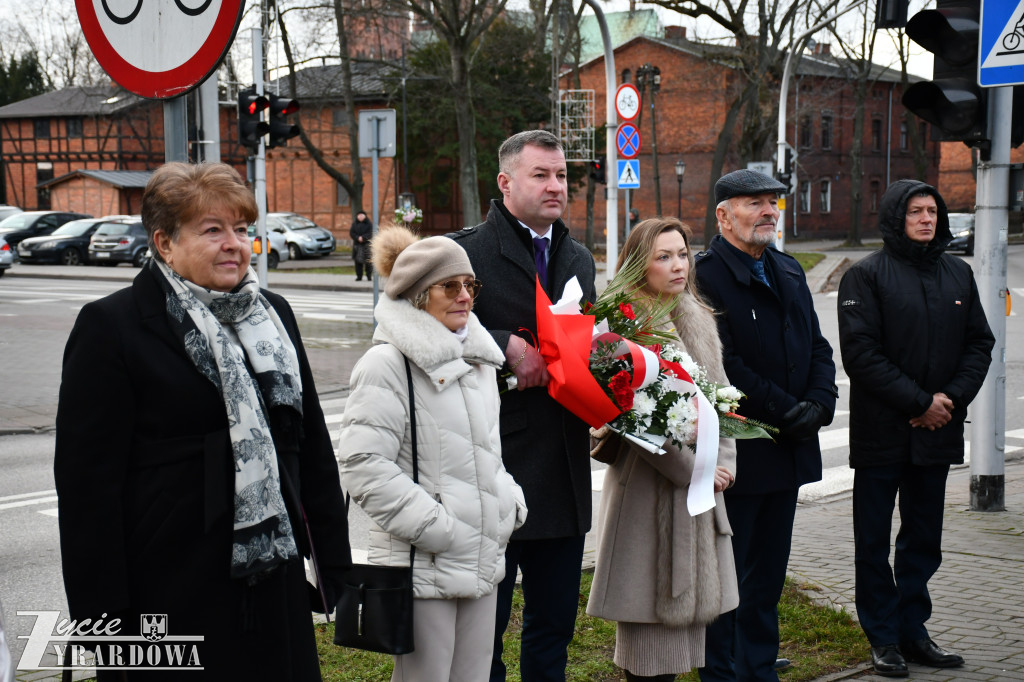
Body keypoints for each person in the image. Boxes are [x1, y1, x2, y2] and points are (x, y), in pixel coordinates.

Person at [54, 162, 351, 680]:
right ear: (164, 243)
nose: (234, 243)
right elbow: (87, 496)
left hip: (272, 579)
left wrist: (338, 573)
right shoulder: (112, 327)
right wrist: (106, 637)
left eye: (242, 229)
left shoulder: (271, 316)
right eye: (213, 230)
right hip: (171, 588)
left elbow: (310, 448)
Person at [336, 226, 527, 682]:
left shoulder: (478, 361)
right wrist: (437, 529)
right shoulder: (386, 363)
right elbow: (364, 466)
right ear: (420, 294)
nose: (465, 296)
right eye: (450, 286)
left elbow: (488, 454)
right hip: (424, 562)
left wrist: (508, 503)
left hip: (482, 555)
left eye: (470, 286)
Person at [448, 129, 597, 682]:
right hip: (492, 469)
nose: (555, 185)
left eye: (560, 175)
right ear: (506, 183)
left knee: (552, 625)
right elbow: (412, 328)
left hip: (562, 467)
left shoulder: (577, 255)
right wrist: (502, 342)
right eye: (541, 175)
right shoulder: (464, 251)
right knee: (485, 629)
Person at [837, 180, 993, 678]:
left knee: (923, 539)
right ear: (894, 218)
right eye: (915, 212)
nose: (926, 219)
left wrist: (948, 402)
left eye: (932, 210)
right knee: (873, 542)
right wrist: (921, 401)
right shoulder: (865, 276)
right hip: (882, 432)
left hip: (935, 433)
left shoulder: (957, 273)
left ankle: (914, 630)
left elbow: (979, 343)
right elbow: (862, 356)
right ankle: (882, 638)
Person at [695, 169, 838, 682]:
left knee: (768, 575)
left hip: (788, 446)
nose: (768, 212)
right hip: (741, 450)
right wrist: (786, 410)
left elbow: (818, 345)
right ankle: (722, 669)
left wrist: (822, 400)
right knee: (729, 574)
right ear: (724, 214)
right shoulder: (705, 276)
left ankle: (759, 668)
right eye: (754, 202)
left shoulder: (788, 268)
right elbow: (724, 364)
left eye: (772, 202)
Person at [586, 218, 739, 681]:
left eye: (683, 254)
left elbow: (722, 398)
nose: (678, 266)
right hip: (647, 493)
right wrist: (694, 471)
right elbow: (634, 418)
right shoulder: (623, 323)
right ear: (639, 264)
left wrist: (724, 461)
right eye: (663, 256)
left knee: (683, 644)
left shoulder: (695, 313)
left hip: (700, 492)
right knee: (648, 646)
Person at [350, 209, 374, 281]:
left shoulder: (369, 224)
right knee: (357, 262)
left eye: (361, 215)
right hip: (357, 245)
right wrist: (357, 238)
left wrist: (363, 238)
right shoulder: (354, 224)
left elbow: (371, 233)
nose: (360, 217)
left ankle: (369, 276)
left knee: (368, 262)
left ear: (365, 216)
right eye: (359, 215)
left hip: (366, 244)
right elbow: (352, 233)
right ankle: (359, 276)